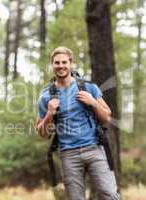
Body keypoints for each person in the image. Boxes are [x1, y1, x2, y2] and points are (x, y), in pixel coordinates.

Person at [36, 46, 119, 200]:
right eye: (57, 63)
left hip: (94, 149)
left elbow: (107, 116)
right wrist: (49, 114)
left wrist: (93, 103)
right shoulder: (45, 96)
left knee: (110, 194)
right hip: (69, 154)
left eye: (64, 62)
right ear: (52, 65)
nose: (61, 66)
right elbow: (41, 132)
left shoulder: (88, 87)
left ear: (71, 63)